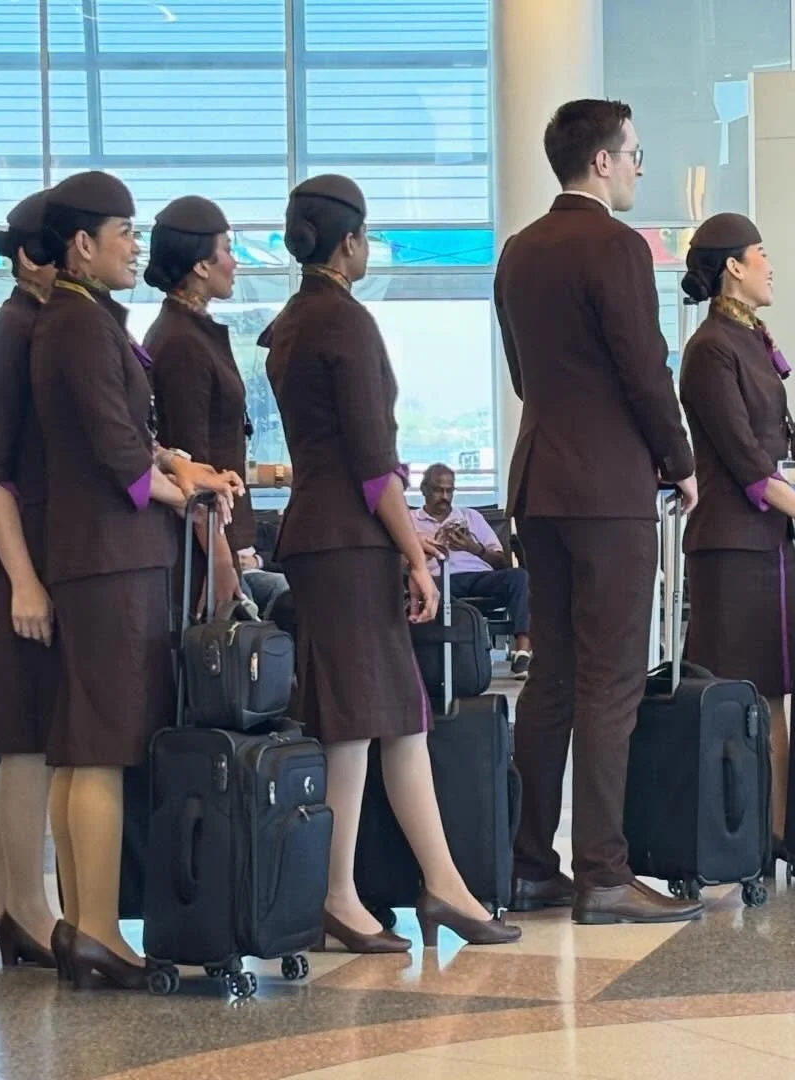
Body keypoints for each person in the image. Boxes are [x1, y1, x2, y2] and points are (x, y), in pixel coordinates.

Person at [264, 174, 519, 951]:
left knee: (390, 719)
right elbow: (376, 466)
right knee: (360, 722)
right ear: (350, 241)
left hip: (319, 537)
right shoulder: (345, 323)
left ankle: (436, 886)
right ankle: (347, 894)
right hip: (351, 543)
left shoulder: (289, 327)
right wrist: (415, 554)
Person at [30, 170, 243, 989]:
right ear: (83, 244)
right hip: (111, 557)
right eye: (123, 231)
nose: (134, 247)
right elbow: (119, 457)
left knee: (83, 748)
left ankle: (85, 924)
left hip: (99, 557)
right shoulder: (79, 327)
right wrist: (186, 485)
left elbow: (130, 439)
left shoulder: (80, 321)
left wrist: (176, 463)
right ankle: (94, 930)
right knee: (105, 746)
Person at [493, 98, 702, 925]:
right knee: (612, 679)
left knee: (551, 677)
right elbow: (644, 367)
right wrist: (679, 461)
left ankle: (528, 864)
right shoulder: (617, 246)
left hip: (540, 482)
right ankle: (605, 877)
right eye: (637, 154)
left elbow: (520, 371)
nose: (641, 169)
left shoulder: (518, 250)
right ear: (604, 161)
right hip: (609, 490)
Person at [675, 212, 795, 858]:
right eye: (762, 254)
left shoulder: (754, 340)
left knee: (778, 686)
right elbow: (747, 463)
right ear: (733, 266)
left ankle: (781, 829)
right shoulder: (709, 351)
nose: (771, 266)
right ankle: (742, 831)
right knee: (742, 692)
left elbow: (790, 440)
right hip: (730, 548)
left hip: (768, 545)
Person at [0, 190, 62, 970]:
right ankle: (28, 907)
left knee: (34, 729)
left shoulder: (42, 325)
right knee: (27, 735)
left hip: (31, 551)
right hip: (12, 557)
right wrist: (23, 579)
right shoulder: (12, 333)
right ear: (36, 257)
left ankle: (1, 901)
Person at [144, 195, 250, 609]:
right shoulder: (181, 342)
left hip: (208, 539)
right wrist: (221, 561)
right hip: (199, 548)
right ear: (201, 265)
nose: (234, 262)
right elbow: (192, 460)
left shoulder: (190, 330)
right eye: (227, 249)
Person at [411, 463, 532, 675]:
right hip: (437, 580)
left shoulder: (471, 517)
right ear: (424, 490)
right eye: (439, 490)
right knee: (425, 587)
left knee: (519, 577)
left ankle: (522, 652)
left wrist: (473, 548)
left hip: (479, 578)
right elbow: (400, 563)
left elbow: (501, 563)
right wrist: (428, 550)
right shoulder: (411, 521)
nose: (445, 496)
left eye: (450, 490)